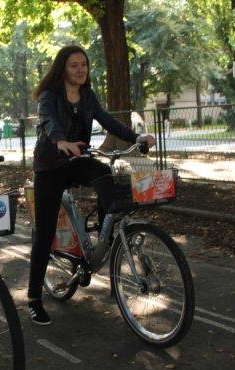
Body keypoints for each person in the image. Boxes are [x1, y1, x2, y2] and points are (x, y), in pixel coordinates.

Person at [27, 45, 156, 325]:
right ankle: (34, 298)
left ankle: (105, 239)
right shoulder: (50, 95)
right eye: (73, 65)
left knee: (105, 175)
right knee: (45, 232)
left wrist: (136, 138)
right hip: (50, 166)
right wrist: (61, 141)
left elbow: (108, 120)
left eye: (83, 64)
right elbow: (48, 121)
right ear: (62, 69)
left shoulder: (87, 95)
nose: (80, 70)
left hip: (78, 159)